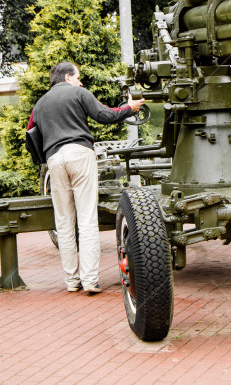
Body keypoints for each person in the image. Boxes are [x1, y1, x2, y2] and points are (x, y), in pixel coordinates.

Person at [28, 62, 145, 294]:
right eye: (78, 77)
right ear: (68, 77)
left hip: (54, 162)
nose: (81, 82)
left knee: (63, 222)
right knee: (87, 220)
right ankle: (90, 281)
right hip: (80, 155)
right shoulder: (79, 93)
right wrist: (129, 109)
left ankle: (71, 282)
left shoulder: (39, 104)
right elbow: (103, 115)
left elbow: (32, 134)